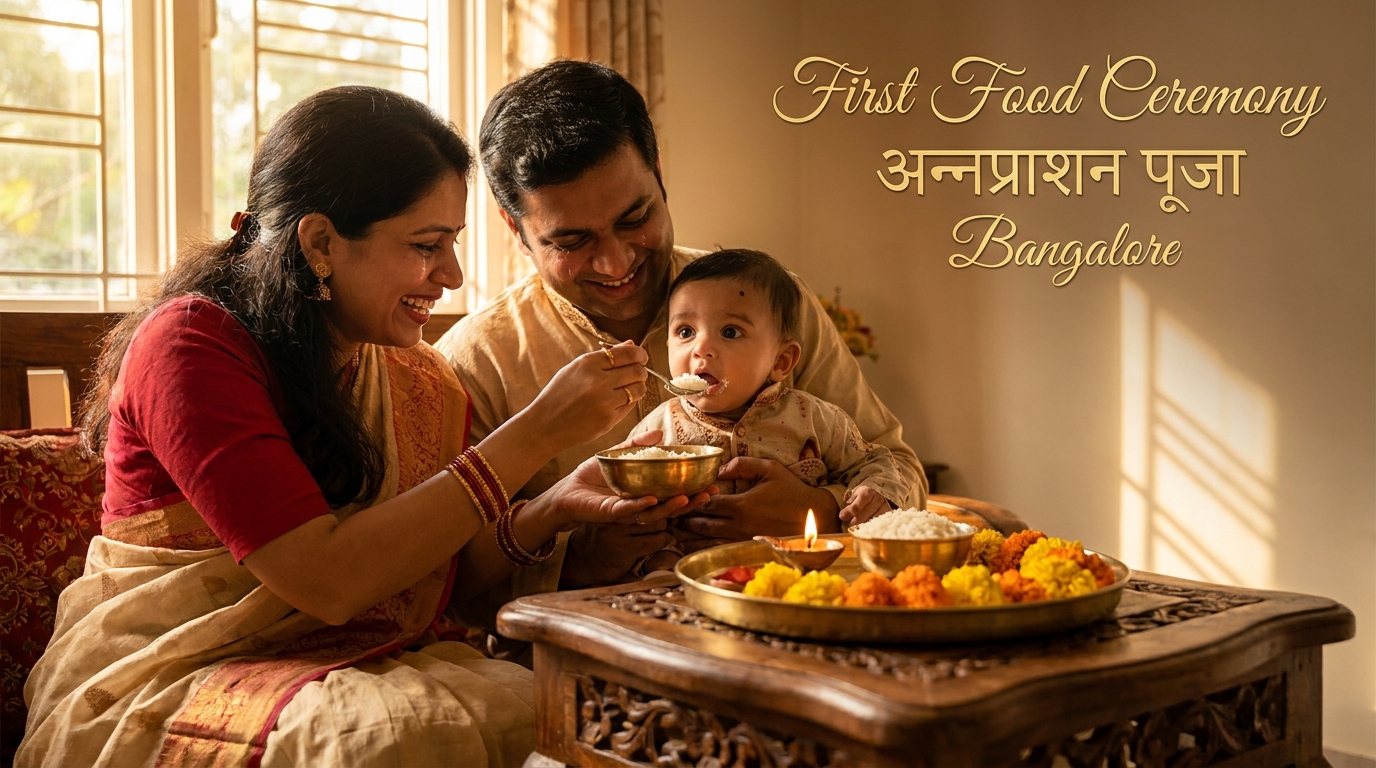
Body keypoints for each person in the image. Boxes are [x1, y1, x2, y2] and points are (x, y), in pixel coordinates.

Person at [17, 86, 707, 768]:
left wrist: (557, 504)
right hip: (176, 671)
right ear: (321, 242)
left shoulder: (415, 374)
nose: (452, 275)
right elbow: (328, 581)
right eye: (426, 245)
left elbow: (440, 573)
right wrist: (535, 434)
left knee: (576, 711)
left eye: (453, 242)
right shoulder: (191, 346)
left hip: (354, 660)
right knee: (392, 740)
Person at [437, 60, 963, 606]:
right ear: (515, 228)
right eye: (571, 242)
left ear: (658, 172)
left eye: (635, 217)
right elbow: (446, 581)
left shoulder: (769, 306)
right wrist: (580, 560)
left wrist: (821, 510)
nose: (616, 263)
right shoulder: (478, 361)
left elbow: (896, 464)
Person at [627, 248, 914, 573]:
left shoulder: (817, 419)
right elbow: (633, 511)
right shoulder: (656, 433)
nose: (700, 349)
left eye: (730, 332)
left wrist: (874, 491)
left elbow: (877, 461)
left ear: (781, 361)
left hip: (800, 579)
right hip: (693, 582)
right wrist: (657, 558)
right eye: (685, 332)